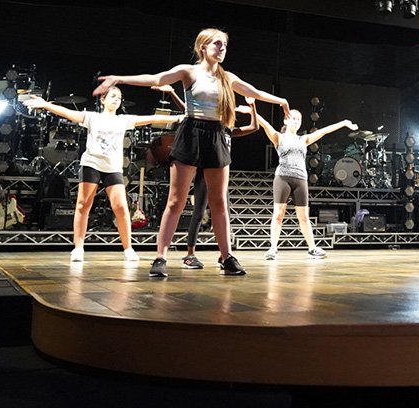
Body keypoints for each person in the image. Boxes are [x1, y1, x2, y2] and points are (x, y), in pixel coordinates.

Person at [93, 28, 291, 279]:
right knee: (176, 201)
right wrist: (119, 78)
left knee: (219, 203)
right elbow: (156, 79)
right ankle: (160, 257)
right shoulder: (189, 71)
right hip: (191, 132)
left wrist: (281, 101)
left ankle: (227, 256)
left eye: (225, 45)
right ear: (203, 48)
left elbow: (254, 92)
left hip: (217, 134)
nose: (222, 49)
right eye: (217, 44)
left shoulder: (227, 77)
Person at [22, 87, 181, 263]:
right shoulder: (92, 118)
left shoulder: (123, 120)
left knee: (120, 207)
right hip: (92, 164)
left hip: (113, 167)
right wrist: (45, 105)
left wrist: (175, 118)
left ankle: (128, 248)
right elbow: (68, 113)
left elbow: (151, 118)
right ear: (103, 100)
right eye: (112, 96)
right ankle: (78, 247)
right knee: (83, 205)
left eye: (119, 98)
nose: (116, 100)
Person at [152, 85, 260, 269]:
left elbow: (254, 126)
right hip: (203, 170)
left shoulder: (228, 132)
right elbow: (187, 111)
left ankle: (225, 255)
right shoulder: (211, 128)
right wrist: (171, 93)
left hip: (220, 171)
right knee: (199, 211)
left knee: (223, 210)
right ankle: (190, 254)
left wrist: (253, 108)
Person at [257, 109, 357, 260]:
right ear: (285, 121)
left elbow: (324, 131)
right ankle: (272, 248)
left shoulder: (303, 139)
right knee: (278, 214)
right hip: (283, 178)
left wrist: (343, 123)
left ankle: (312, 248)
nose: (296, 121)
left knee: (304, 216)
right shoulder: (279, 137)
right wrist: (251, 110)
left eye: (299, 119)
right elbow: (264, 124)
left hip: (300, 180)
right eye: (293, 118)